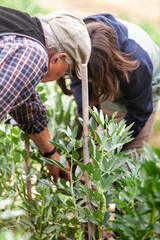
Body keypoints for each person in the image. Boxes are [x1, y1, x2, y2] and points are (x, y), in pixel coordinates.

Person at [0, 6, 91, 182]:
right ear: (58, 58)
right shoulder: (33, 54)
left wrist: (51, 155)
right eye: (66, 72)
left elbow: (27, 109)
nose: (61, 78)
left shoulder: (21, 29)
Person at [60, 13, 160, 153]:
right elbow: (78, 83)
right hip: (107, 69)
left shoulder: (138, 63)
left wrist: (112, 146)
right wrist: (87, 116)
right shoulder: (78, 39)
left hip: (141, 81)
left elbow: (139, 112)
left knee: (127, 158)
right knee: (82, 143)